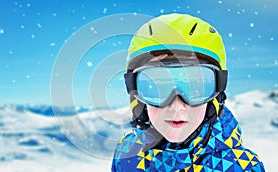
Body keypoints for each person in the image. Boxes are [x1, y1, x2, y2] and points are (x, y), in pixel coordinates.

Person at [111, 13, 265, 172]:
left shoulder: (242, 167)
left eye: (195, 87)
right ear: (136, 96)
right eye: (157, 87)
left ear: (216, 94)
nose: (177, 107)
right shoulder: (127, 151)